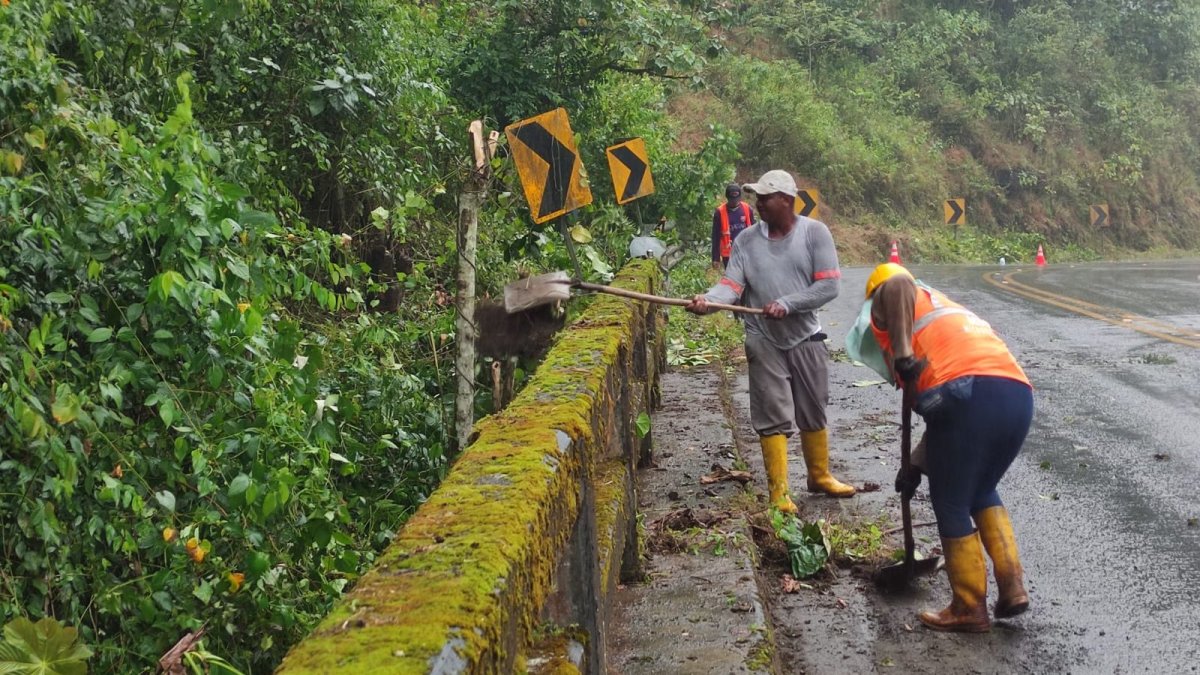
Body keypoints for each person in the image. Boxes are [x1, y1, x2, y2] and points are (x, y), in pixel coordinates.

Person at [852, 262, 1033, 633]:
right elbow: (949, 428)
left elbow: (896, 282)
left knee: (950, 501)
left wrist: (903, 354)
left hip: (965, 393)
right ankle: (1012, 586)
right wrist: (915, 466)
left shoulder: (893, 290)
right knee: (980, 489)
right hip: (1015, 396)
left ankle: (968, 607)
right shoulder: (942, 314)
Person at [687, 170, 856, 512]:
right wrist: (708, 301)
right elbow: (731, 286)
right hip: (763, 337)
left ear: (787, 200)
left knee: (813, 407)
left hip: (806, 335)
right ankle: (779, 492)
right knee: (771, 411)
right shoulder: (746, 241)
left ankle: (819, 475)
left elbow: (829, 286)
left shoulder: (815, 234)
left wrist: (788, 303)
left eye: (766, 198)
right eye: (757, 198)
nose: (758, 204)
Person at [711, 183, 754, 270]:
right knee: (732, 277)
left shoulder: (747, 209)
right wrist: (715, 258)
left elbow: (754, 232)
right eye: (732, 199)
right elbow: (715, 236)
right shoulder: (720, 212)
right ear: (727, 197)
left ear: (740, 197)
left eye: (736, 199)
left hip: (746, 251)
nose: (734, 202)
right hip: (729, 254)